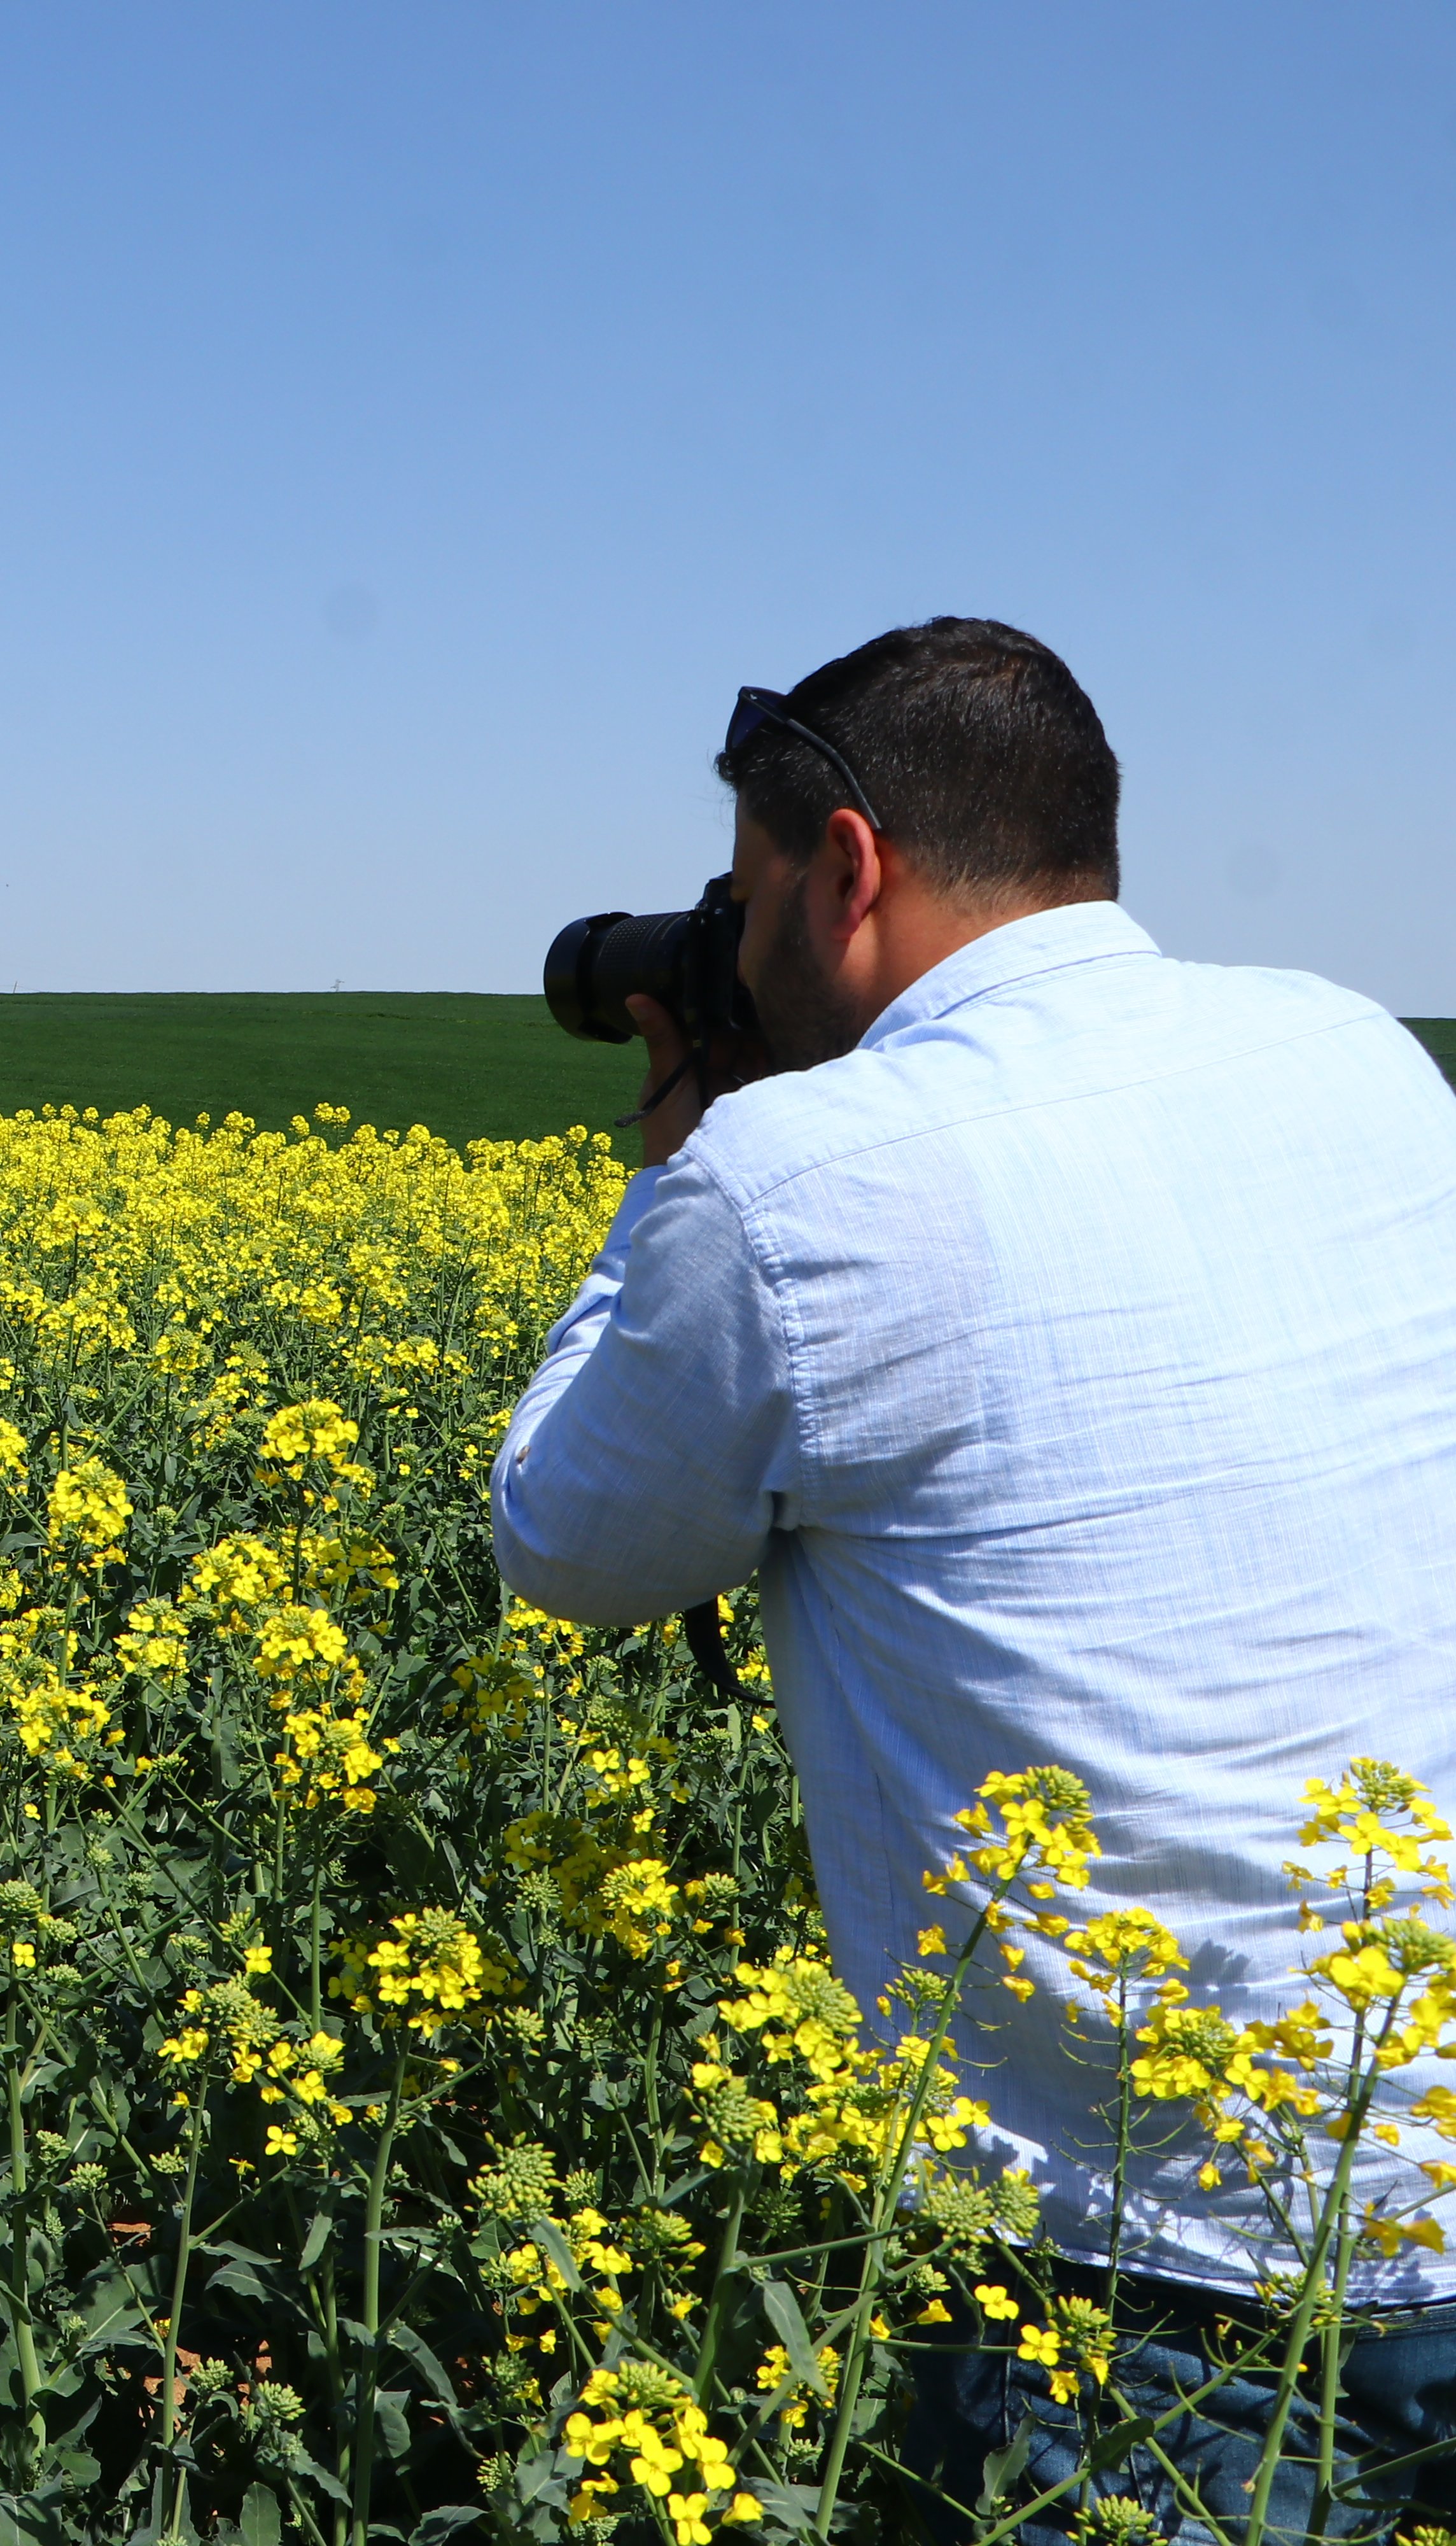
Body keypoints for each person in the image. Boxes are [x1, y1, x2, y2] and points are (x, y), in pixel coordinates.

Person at [489, 619, 1456, 2538]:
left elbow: (565, 1542)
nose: (738, 936)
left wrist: (673, 1145)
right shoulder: (1358, 1050)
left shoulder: (787, 1176)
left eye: (750, 890)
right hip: (1414, 2132)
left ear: (841, 863)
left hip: (1129, 2277)